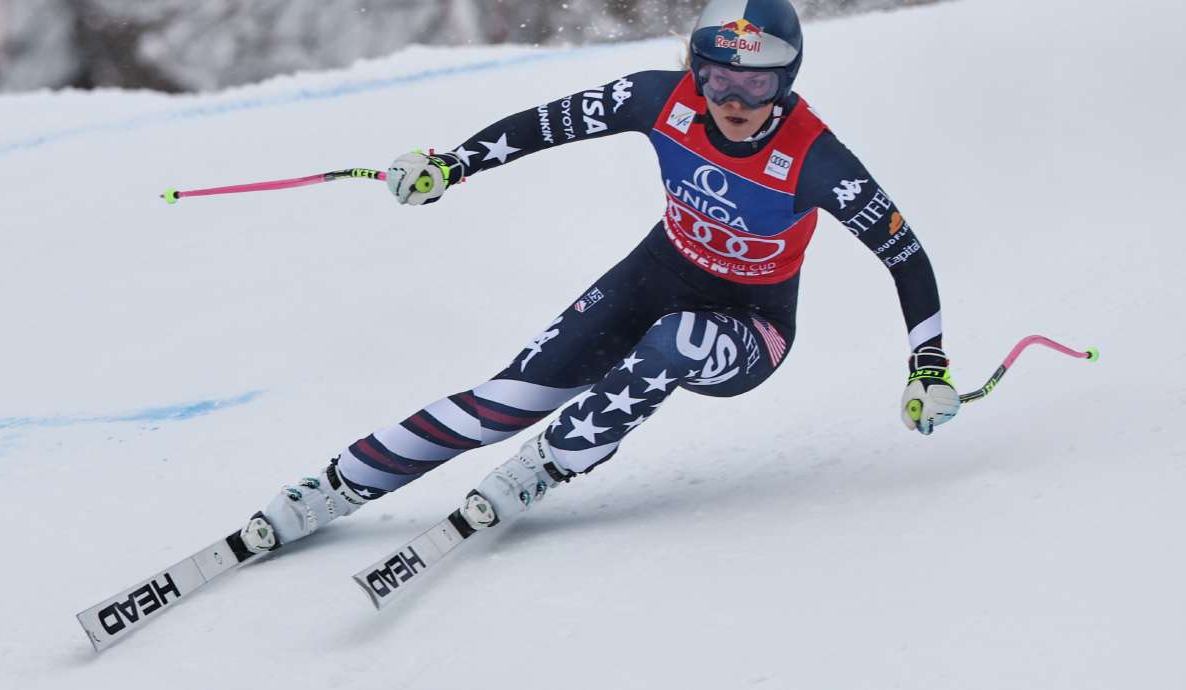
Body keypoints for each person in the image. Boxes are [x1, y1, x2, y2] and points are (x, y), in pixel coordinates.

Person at [238, 0, 961, 553]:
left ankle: (551, 462)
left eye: (755, 83)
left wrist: (927, 365)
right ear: (696, 71)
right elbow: (546, 123)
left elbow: (904, 255)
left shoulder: (815, 157)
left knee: (677, 340)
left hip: (753, 327)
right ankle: (338, 483)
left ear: (786, 80)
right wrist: (452, 164)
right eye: (718, 79)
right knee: (505, 399)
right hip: (657, 275)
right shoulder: (659, 100)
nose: (734, 102)